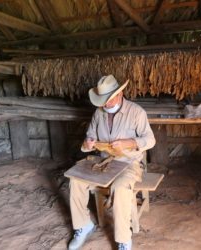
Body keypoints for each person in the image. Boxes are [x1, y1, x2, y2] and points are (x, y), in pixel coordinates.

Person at [68, 75, 156, 250]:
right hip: (103, 163)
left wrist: (129, 142)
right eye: (103, 101)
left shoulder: (136, 112)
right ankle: (83, 226)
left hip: (129, 164)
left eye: (109, 100)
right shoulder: (99, 113)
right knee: (75, 181)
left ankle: (124, 240)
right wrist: (88, 143)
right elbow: (90, 136)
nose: (105, 104)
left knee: (121, 188)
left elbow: (150, 140)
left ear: (120, 93)